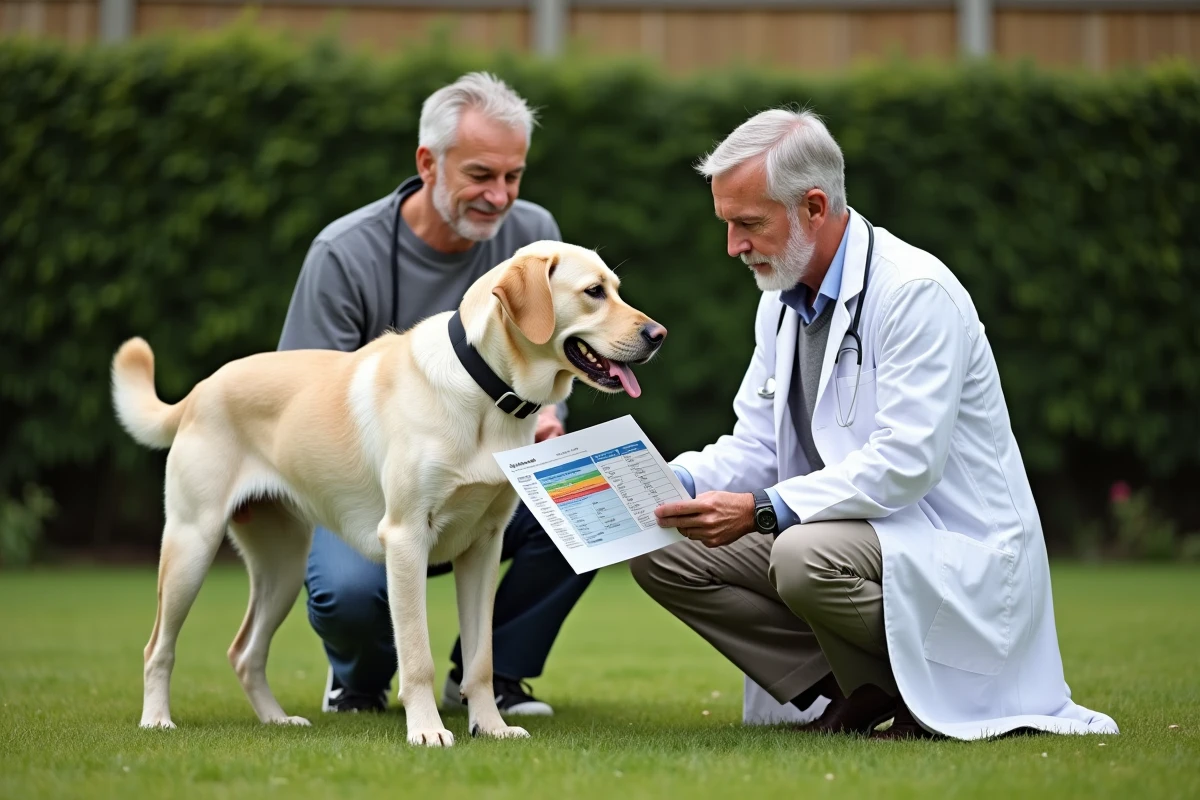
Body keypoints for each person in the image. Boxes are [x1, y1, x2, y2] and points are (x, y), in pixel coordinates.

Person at [631, 108, 1118, 740]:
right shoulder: (778, 299)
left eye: (747, 223)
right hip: (854, 539)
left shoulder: (916, 291)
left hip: (949, 544)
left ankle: (924, 694)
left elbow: (905, 463)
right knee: (662, 555)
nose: (733, 246)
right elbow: (755, 442)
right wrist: (659, 482)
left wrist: (762, 509)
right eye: (726, 224)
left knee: (801, 554)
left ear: (813, 206)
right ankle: (857, 690)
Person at [278, 72, 593, 717]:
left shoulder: (534, 236)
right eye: (481, 174)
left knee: (592, 514)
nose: (499, 196)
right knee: (347, 594)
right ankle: (358, 681)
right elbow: (300, 393)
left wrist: (551, 413)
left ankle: (491, 678)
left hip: (498, 470)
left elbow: (561, 344)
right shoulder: (345, 253)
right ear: (427, 162)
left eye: (513, 176)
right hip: (369, 488)